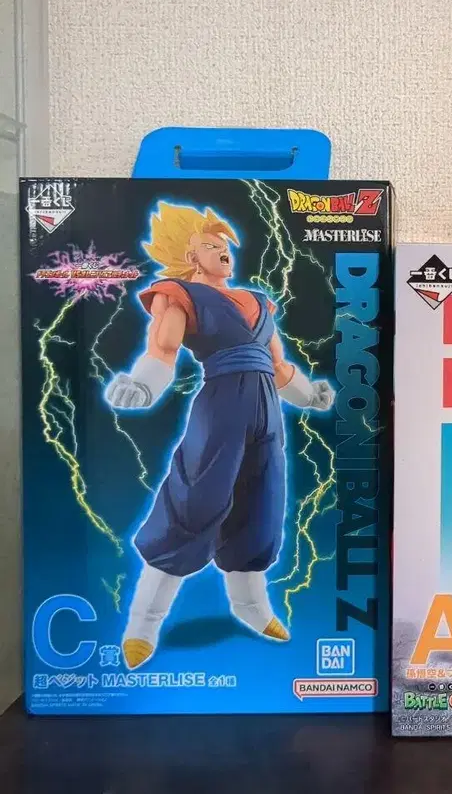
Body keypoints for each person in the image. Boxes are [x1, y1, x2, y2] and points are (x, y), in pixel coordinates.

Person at [105, 202, 333, 669]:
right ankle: (144, 622)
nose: (223, 251)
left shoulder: (258, 301)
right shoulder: (181, 294)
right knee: (195, 501)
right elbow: (164, 349)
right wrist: (142, 385)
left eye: (225, 245)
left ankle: (250, 606)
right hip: (221, 406)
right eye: (210, 245)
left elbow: (277, 364)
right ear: (191, 256)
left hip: (268, 413)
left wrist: (309, 395)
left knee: (262, 503)